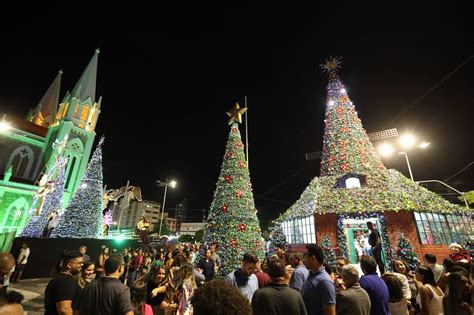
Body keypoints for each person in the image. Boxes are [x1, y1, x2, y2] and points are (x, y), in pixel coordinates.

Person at [44, 251, 83, 315]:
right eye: (79, 263)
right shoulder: (65, 281)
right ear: (69, 265)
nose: (82, 265)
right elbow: (64, 310)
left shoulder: (61, 278)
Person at [301, 244, 336, 315]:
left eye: (306, 256)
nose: (304, 260)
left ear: (313, 258)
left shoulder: (324, 281)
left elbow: (330, 312)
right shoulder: (311, 274)